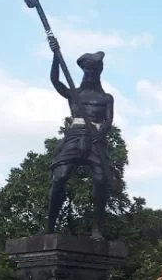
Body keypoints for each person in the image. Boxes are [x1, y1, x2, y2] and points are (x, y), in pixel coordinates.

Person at [45, 44, 115, 240]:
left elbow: (108, 121)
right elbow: (55, 81)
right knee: (59, 178)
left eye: (94, 70)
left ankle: (97, 228)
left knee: (101, 180)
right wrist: (56, 58)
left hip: (96, 137)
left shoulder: (106, 98)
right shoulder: (75, 94)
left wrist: (99, 135)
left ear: (99, 72)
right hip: (74, 135)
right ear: (84, 71)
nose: (90, 73)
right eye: (87, 70)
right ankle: (49, 227)